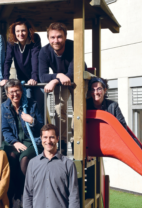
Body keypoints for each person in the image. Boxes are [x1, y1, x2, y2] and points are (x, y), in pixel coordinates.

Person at [38, 22, 87, 155]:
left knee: (79, 110)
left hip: (77, 79)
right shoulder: (45, 51)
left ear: (65, 37)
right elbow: (42, 76)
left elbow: (72, 73)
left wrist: (54, 79)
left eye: (59, 37)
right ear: (48, 38)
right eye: (52, 37)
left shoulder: (73, 47)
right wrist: (58, 76)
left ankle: (76, 141)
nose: (56, 40)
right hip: (61, 82)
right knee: (60, 110)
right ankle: (63, 143)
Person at [0, 79, 43, 208]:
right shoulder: (4, 107)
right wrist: (14, 142)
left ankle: (19, 196)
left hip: (31, 141)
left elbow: (41, 127)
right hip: (14, 142)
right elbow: (5, 130)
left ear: (22, 91)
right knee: (11, 158)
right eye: (11, 92)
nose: (15, 94)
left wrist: (32, 121)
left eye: (17, 90)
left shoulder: (31, 105)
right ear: (7, 93)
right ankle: (10, 195)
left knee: (24, 160)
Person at [23, 124, 80, 208]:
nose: (48, 141)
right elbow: (28, 195)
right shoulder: (32, 164)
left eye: (52, 137)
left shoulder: (68, 165)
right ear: (41, 138)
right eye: (45, 137)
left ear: (57, 139)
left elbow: (74, 197)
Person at [1, 18, 43, 115]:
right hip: (23, 79)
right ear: (14, 32)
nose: (21, 34)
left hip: (37, 78)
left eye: (23, 30)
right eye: (18, 31)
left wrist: (34, 77)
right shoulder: (11, 40)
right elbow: (8, 59)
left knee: (40, 106)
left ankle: (42, 128)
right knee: (26, 106)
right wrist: (5, 77)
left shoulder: (35, 38)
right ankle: (28, 129)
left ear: (28, 30)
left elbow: (35, 58)